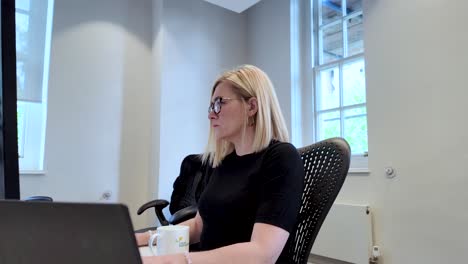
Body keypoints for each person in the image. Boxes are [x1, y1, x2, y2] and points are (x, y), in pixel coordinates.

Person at [136, 65, 304, 264]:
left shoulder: (281, 157)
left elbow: (262, 254)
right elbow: (199, 227)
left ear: (252, 106)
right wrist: (143, 238)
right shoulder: (225, 163)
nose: (211, 114)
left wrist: (174, 261)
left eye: (219, 103)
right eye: (211, 106)